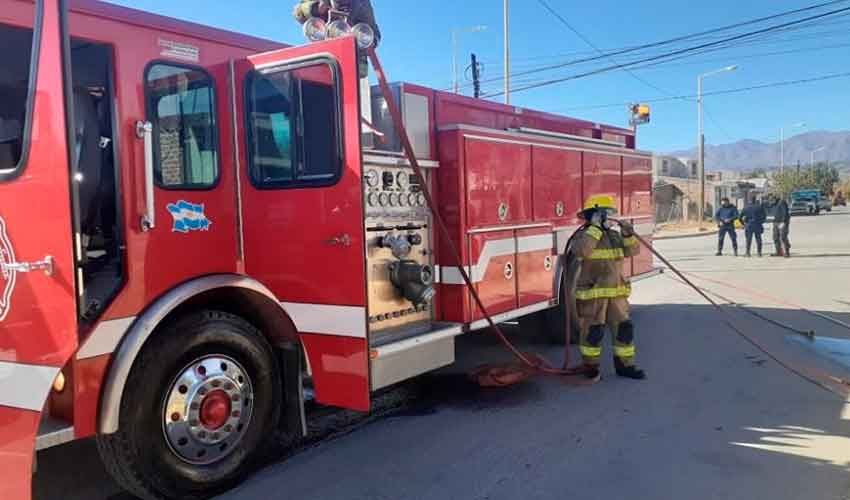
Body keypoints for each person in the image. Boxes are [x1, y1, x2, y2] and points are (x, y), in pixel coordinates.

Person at [571, 194, 646, 382]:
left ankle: (625, 366)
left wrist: (628, 234)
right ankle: (591, 368)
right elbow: (582, 251)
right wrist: (595, 229)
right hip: (594, 295)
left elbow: (632, 251)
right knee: (592, 333)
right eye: (604, 214)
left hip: (617, 296)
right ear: (593, 215)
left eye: (609, 214)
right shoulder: (583, 236)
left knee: (624, 330)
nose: (608, 218)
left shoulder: (613, 236)